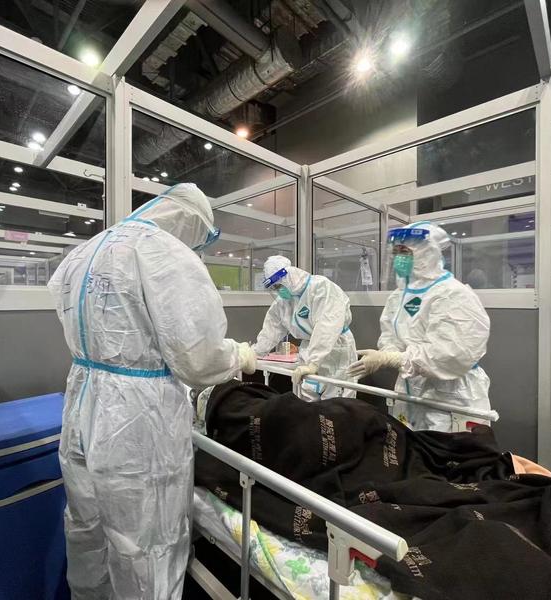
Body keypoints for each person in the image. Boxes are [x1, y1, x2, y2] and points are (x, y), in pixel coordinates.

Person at [48, 183, 257, 599]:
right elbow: (197, 358)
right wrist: (239, 356)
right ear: (192, 223)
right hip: (138, 420)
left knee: (87, 530)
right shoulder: (165, 254)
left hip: (83, 401)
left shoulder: (86, 251)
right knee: (147, 544)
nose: (197, 248)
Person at [348, 222, 491, 432]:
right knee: (409, 445)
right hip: (409, 387)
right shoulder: (399, 296)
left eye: (405, 251)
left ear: (427, 253)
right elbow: (390, 336)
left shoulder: (453, 294)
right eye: (396, 252)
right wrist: (387, 354)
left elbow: (450, 354)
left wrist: (393, 359)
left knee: (449, 449)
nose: (399, 257)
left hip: (451, 393)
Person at [252, 255, 357, 400]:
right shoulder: (283, 302)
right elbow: (271, 329)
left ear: (288, 275)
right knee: (308, 398)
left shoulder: (321, 287)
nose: (278, 290)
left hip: (336, 349)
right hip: (308, 351)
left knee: (337, 402)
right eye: (274, 288)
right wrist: (254, 353)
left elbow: (327, 327)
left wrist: (314, 362)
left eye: (279, 285)